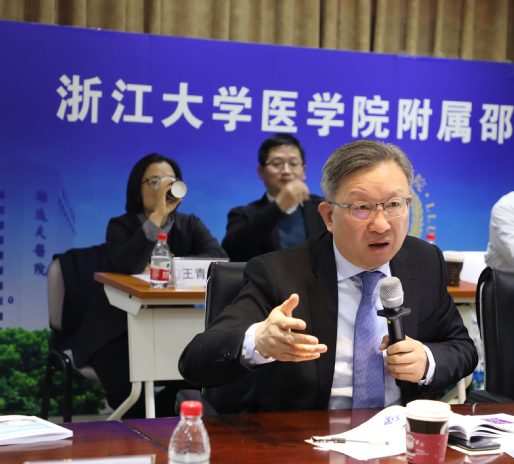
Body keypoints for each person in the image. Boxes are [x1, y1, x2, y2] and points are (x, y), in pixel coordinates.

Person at [179, 140, 478, 412]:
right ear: (329, 216)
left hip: (399, 438)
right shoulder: (279, 273)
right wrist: (258, 341)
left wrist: (427, 360)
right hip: (306, 441)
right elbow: (195, 361)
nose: (381, 224)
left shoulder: (424, 262)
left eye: (394, 205)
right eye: (362, 208)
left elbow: (462, 349)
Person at [71, 153, 226, 418]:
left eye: (169, 182)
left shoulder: (190, 224)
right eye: (154, 182)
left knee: (195, 380)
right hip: (116, 328)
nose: (163, 189)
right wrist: (156, 217)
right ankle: (142, 429)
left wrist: (171, 265)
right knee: (127, 391)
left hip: (172, 324)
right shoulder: (120, 225)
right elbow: (128, 264)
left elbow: (218, 261)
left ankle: (161, 426)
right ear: (137, 189)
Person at [222, 134, 327, 262]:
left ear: (303, 171)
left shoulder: (323, 208)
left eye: (293, 164)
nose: (286, 171)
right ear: (261, 171)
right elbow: (233, 252)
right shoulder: (243, 214)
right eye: (277, 164)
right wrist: (278, 206)